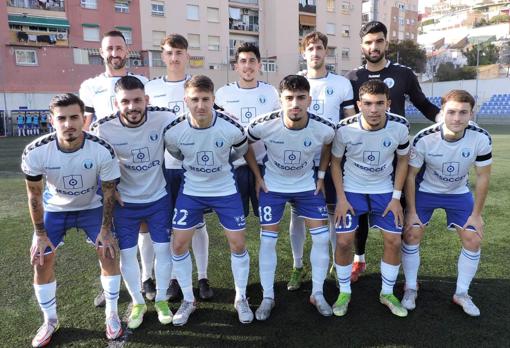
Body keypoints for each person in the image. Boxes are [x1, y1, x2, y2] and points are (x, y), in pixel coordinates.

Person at [21, 93, 123, 347]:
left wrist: (105, 229)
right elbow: (34, 197)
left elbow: (109, 191)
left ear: (84, 119)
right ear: (51, 120)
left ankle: (112, 313)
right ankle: (49, 320)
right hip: (55, 210)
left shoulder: (101, 149)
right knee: (41, 259)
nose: (69, 124)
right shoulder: (36, 151)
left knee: (108, 252)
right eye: (62, 118)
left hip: (91, 206)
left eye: (74, 117)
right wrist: (40, 234)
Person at [345, 21, 440, 282]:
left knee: (399, 207)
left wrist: (446, 120)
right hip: (362, 156)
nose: (373, 47)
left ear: (386, 43)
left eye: (378, 41)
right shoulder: (352, 77)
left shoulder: (403, 74)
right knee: (359, 213)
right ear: (361, 45)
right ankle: (359, 260)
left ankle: (402, 271)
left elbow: (422, 103)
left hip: (396, 155)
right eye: (368, 42)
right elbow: (347, 115)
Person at [164, 75, 254, 326]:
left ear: (214, 100)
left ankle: (241, 298)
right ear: (185, 100)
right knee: (179, 245)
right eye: (194, 99)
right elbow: (177, 153)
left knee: (237, 244)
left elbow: (239, 150)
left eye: (206, 99)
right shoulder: (174, 131)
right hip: (191, 189)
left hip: (225, 189)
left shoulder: (231, 127)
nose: (200, 105)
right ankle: (188, 300)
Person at [248, 74, 335, 320]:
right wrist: (257, 175)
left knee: (320, 240)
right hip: (272, 187)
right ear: (280, 100)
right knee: (267, 241)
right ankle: (267, 297)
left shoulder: (324, 126)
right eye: (289, 98)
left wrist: (320, 176)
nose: (295, 103)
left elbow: (329, 145)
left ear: (309, 99)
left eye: (300, 98)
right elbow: (246, 143)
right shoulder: (263, 123)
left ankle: (317, 293)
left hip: (307, 187)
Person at [90, 76, 174, 329]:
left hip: (158, 198)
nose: (132, 106)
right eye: (125, 101)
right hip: (125, 204)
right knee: (127, 254)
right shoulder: (103, 127)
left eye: (138, 100)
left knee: (162, 250)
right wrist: (106, 188)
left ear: (146, 100)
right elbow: (93, 159)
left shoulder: (165, 117)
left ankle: (160, 299)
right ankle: (138, 301)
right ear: (117, 103)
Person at [79, 30, 154, 306]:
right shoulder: (89, 86)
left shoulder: (143, 83)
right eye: (109, 48)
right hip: (104, 167)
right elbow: (86, 126)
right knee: (106, 227)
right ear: (101, 52)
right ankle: (110, 284)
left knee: (144, 225)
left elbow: (150, 123)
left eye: (119, 48)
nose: (114, 53)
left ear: (127, 51)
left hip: (138, 166)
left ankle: (147, 278)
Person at [401, 90, 492, 317]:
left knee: (473, 237)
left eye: (463, 112)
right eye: (451, 112)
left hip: (458, 193)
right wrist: (411, 211)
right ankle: (411, 287)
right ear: (442, 112)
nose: (457, 118)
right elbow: (410, 176)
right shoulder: (425, 137)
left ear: (471, 114)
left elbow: (483, 177)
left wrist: (477, 214)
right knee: (411, 233)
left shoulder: (481, 137)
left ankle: (461, 293)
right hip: (426, 191)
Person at [330, 80, 410, 317]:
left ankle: (387, 292)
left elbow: (403, 159)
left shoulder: (400, 127)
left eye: (379, 104)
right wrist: (341, 198)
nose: (373, 109)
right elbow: (335, 162)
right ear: (358, 105)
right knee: (344, 241)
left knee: (394, 241)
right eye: (367, 104)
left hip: (384, 190)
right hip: (352, 189)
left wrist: (396, 197)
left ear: (389, 104)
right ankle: (344, 292)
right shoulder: (344, 128)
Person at [145, 34, 213, 301]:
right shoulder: (151, 88)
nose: (174, 58)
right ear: (162, 55)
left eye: (179, 53)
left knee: (197, 225)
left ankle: (203, 277)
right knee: (168, 226)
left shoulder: (197, 86)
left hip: (193, 168)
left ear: (187, 56)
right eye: (169, 52)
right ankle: (173, 278)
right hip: (162, 168)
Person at [287, 31, 355, 291]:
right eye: (310, 48)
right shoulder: (294, 82)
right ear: (303, 53)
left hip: (332, 159)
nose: (315, 53)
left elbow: (349, 120)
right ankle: (297, 265)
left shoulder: (341, 84)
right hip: (300, 160)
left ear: (326, 52)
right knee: (297, 215)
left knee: (332, 212)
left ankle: (336, 265)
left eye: (319, 48)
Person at [215, 42, 280, 221]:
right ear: (236, 66)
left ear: (259, 64)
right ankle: (237, 250)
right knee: (235, 219)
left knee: (267, 218)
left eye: (252, 61)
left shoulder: (270, 92)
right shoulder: (223, 93)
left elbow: (278, 127)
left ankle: (265, 249)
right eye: (243, 61)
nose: (247, 66)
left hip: (265, 165)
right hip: (234, 166)